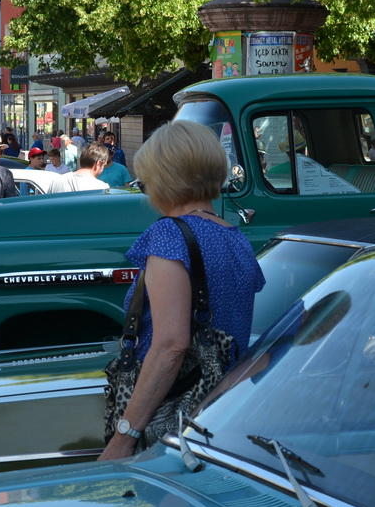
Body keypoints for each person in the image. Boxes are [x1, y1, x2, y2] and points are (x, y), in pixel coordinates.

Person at [98, 121, 264, 461]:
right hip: (217, 411)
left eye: (144, 180)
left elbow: (171, 345)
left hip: (170, 416)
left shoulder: (170, 235)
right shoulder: (234, 237)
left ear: (163, 179)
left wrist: (124, 438)